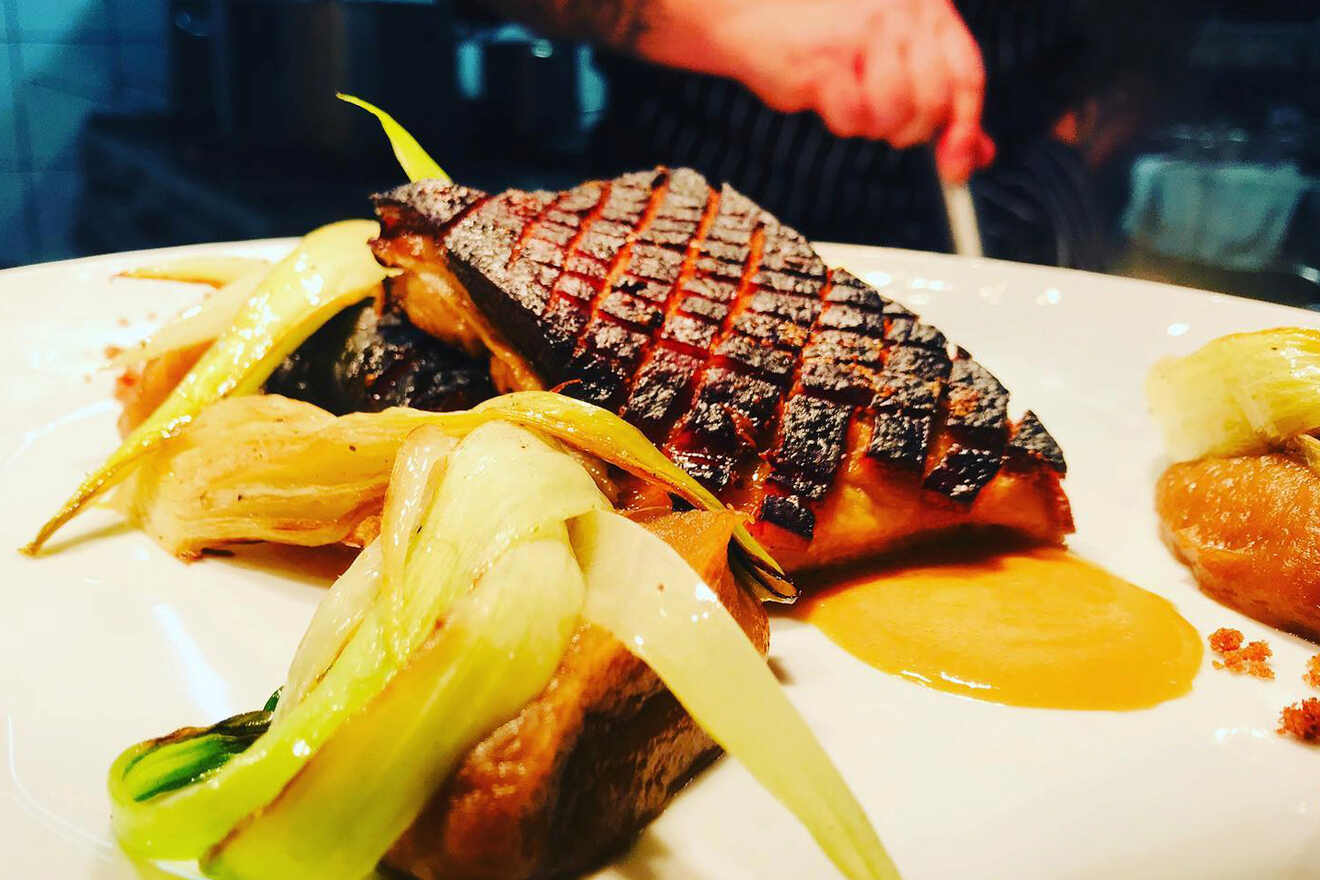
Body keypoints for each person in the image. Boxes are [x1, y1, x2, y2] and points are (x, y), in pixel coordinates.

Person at [476, 0, 1176, 266]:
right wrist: (722, 13)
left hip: (1025, 200)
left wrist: (1071, 145)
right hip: (704, 212)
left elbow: (1149, 46)